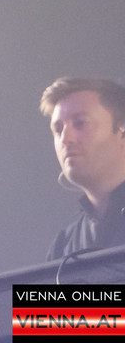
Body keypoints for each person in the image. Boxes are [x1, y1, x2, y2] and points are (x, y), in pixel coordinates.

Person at [41, 77, 125, 261]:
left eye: (80, 123)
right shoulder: (63, 245)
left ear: (122, 131)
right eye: (58, 129)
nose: (65, 139)